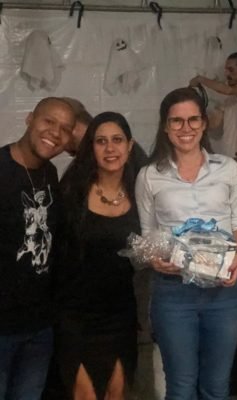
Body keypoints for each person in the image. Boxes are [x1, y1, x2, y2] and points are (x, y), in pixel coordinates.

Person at [135, 87, 237, 400]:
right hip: (174, 293)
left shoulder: (228, 168)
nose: (186, 128)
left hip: (223, 291)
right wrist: (154, 259)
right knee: (181, 388)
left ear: (204, 123)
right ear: (165, 126)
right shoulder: (149, 175)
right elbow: (148, 234)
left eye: (193, 119)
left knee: (216, 388)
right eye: (176, 121)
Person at [54, 112, 141, 400]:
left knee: (115, 393)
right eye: (101, 141)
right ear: (90, 147)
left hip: (121, 316)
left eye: (117, 140)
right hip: (75, 317)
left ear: (130, 146)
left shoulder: (142, 193)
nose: (110, 148)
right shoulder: (71, 192)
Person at [0, 97, 75, 400]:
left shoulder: (50, 174)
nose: (56, 132)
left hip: (39, 327)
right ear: (30, 118)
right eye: (49, 121)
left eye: (65, 129)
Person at [189, 52, 237, 159]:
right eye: (226, 69)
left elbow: (227, 90)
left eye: (231, 70)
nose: (226, 73)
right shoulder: (230, 97)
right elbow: (215, 124)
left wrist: (200, 79)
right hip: (229, 153)